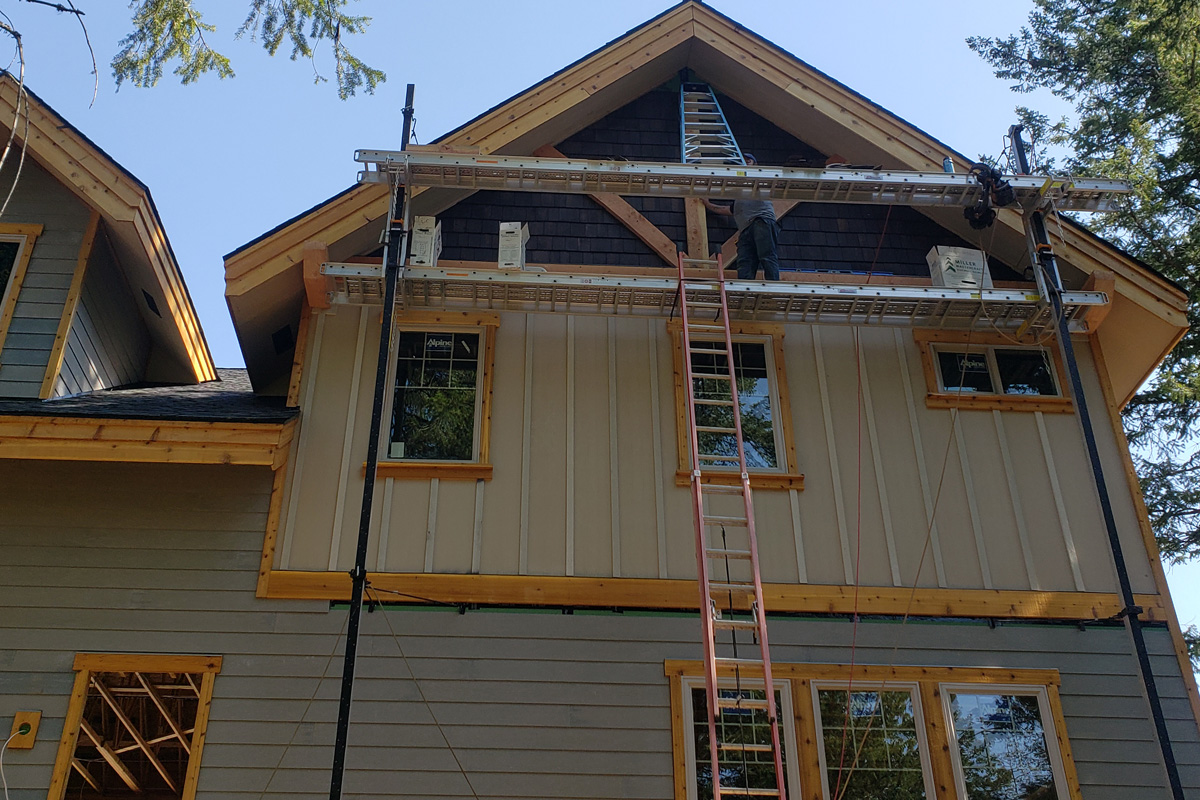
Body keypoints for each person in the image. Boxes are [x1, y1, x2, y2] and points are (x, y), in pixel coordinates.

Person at [700, 153, 781, 281]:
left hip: (761, 222)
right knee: (745, 262)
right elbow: (726, 210)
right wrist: (708, 204)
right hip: (745, 231)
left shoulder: (759, 179)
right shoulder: (739, 198)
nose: (746, 160)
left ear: (756, 165)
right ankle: (745, 290)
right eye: (743, 159)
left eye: (749, 159)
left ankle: (774, 284)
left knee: (766, 255)